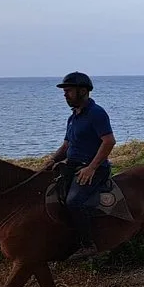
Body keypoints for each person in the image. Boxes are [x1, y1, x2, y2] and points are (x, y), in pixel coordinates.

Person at [42, 72, 116, 260]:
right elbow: (67, 145)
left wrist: (91, 168)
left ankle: (89, 245)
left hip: (94, 168)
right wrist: (52, 160)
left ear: (82, 91)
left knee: (73, 201)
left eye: (68, 91)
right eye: (64, 91)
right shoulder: (73, 117)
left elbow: (108, 141)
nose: (65, 94)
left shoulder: (96, 113)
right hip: (72, 166)